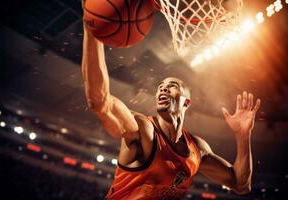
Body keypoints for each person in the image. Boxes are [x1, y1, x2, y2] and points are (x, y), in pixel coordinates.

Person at [81, 13, 261, 200]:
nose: (163, 89)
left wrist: (242, 136)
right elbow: (100, 101)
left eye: (172, 86)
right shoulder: (143, 129)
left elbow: (241, 185)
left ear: (186, 102)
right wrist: (92, 29)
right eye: (160, 87)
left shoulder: (197, 148)